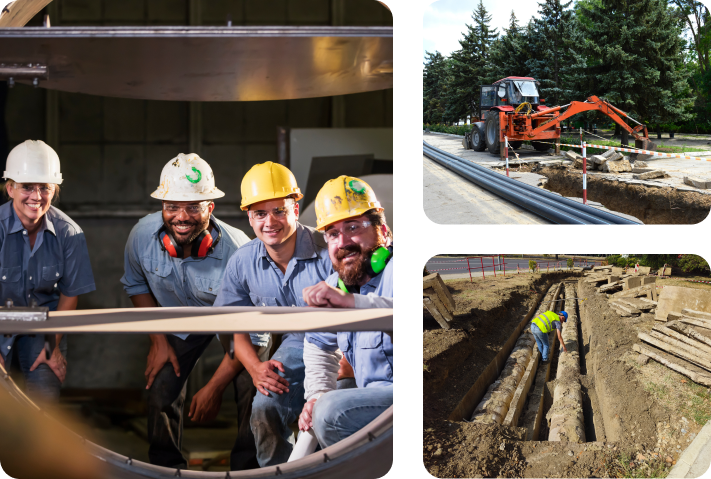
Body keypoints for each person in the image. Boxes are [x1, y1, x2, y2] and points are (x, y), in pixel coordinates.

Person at [120, 153, 254, 470]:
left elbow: (254, 333)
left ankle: (250, 469)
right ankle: (167, 470)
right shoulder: (141, 236)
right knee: (160, 389)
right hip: (178, 322)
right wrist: (159, 341)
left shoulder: (239, 250)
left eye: (193, 207)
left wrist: (213, 388)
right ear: (161, 206)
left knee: (254, 385)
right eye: (173, 206)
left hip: (232, 321)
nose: (182, 216)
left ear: (210, 208)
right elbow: (136, 285)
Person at [214, 161, 335, 467]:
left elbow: (365, 314)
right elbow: (233, 325)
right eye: (260, 213)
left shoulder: (328, 250)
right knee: (264, 409)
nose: (270, 222)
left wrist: (349, 365)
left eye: (279, 210)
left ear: (296, 207)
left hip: (343, 343)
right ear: (249, 217)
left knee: (336, 415)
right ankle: (277, 473)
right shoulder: (242, 262)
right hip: (298, 344)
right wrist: (255, 368)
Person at [297, 176, 393, 448]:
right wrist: (316, 394)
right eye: (332, 234)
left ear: (382, 231)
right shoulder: (335, 286)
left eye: (353, 227)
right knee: (316, 412)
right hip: (371, 397)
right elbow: (318, 344)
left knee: (331, 412)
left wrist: (350, 304)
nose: (343, 242)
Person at [0, 140, 95, 404]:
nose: (36, 196)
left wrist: (52, 345)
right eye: (27, 187)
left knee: (44, 397)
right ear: (10, 188)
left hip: (45, 324)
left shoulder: (69, 234)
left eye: (45, 188)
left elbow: (69, 294)